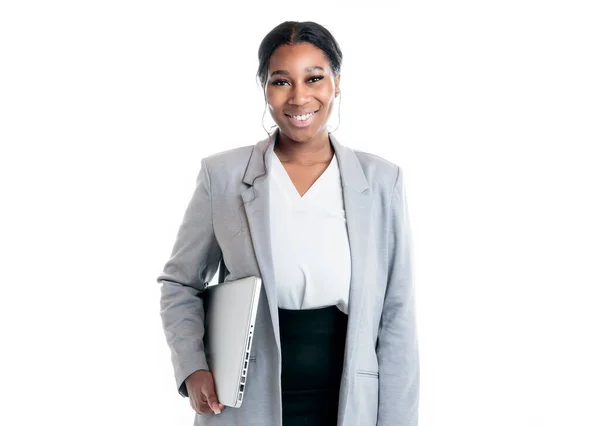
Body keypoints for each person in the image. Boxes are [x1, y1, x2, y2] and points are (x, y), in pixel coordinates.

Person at [157, 20, 419, 426]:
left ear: (336, 83)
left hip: (348, 400)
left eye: (314, 78)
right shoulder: (222, 176)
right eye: (282, 81)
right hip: (244, 401)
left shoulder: (382, 180)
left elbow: (397, 312)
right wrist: (192, 366)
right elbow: (180, 282)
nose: (299, 97)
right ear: (264, 87)